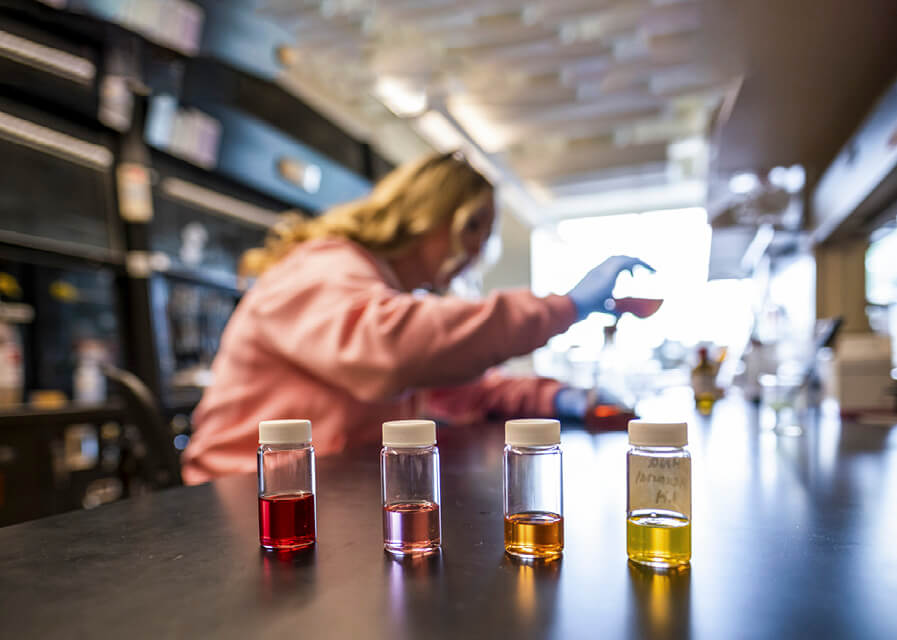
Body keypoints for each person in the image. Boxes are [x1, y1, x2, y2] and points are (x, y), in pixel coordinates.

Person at [181, 152, 650, 484]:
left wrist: (561, 397)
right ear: (427, 214)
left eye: (484, 240)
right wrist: (566, 307)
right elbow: (393, 348)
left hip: (322, 490)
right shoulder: (320, 266)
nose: (473, 253)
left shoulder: (379, 290)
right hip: (238, 498)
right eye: (470, 228)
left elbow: (464, 387)